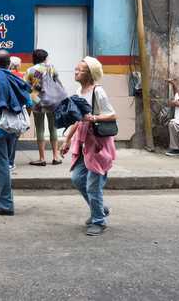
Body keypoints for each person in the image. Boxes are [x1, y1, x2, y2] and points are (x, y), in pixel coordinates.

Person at [61, 56, 117, 236]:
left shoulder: (98, 92)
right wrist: (67, 139)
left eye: (81, 70)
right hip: (83, 142)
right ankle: (99, 209)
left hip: (98, 144)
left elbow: (112, 115)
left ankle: (99, 221)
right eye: (76, 69)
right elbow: (78, 119)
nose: (76, 72)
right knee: (77, 179)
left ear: (90, 74)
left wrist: (94, 117)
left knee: (93, 185)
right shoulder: (79, 91)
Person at [0, 50, 32, 216]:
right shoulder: (17, 78)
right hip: (14, 128)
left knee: (0, 166)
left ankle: (5, 203)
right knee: (5, 164)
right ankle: (4, 199)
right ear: (9, 63)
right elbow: (29, 100)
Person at [25, 49, 62, 166]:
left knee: (40, 129)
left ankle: (42, 158)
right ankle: (56, 156)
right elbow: (58, 83)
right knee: (53, 128)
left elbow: (26, 86)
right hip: (52, 100)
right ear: (45, 58)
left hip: (37, 101)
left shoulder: (30, 70)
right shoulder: (51, 67)